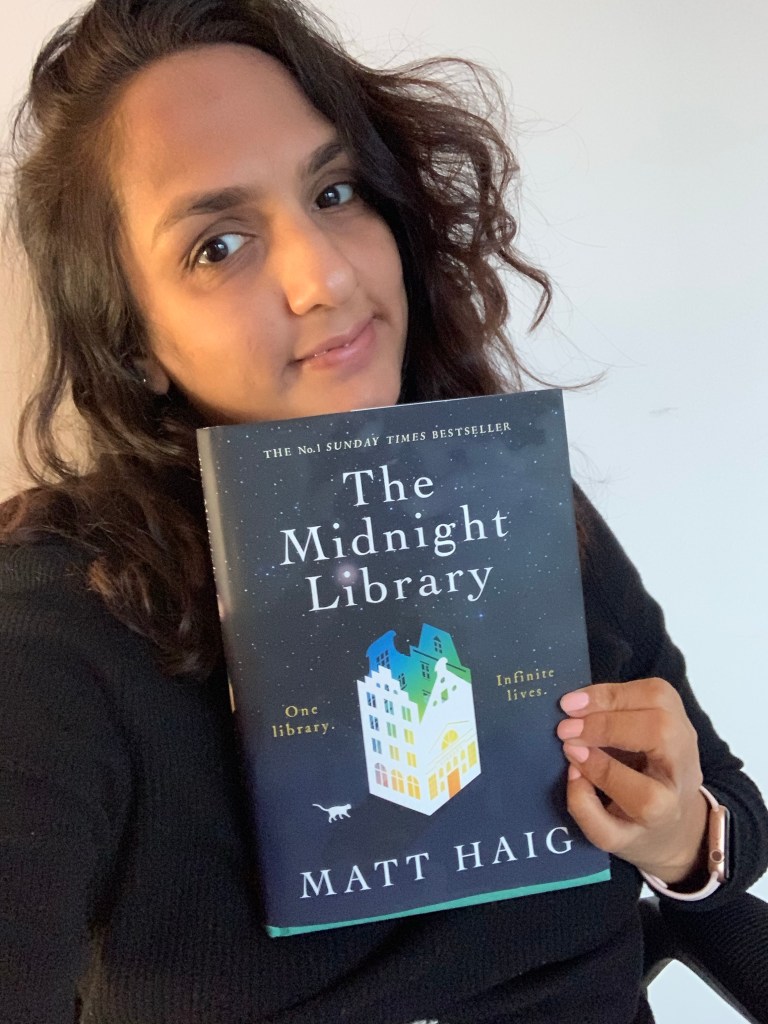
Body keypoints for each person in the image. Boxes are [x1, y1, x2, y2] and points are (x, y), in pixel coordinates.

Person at [0, 1, 765, 1022]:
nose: (325, 275)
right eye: (218, 245)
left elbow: (729, 817)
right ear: (133, 340)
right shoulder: (61, 615)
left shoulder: (513, 498)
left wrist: (682, 837)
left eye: (335, 191)